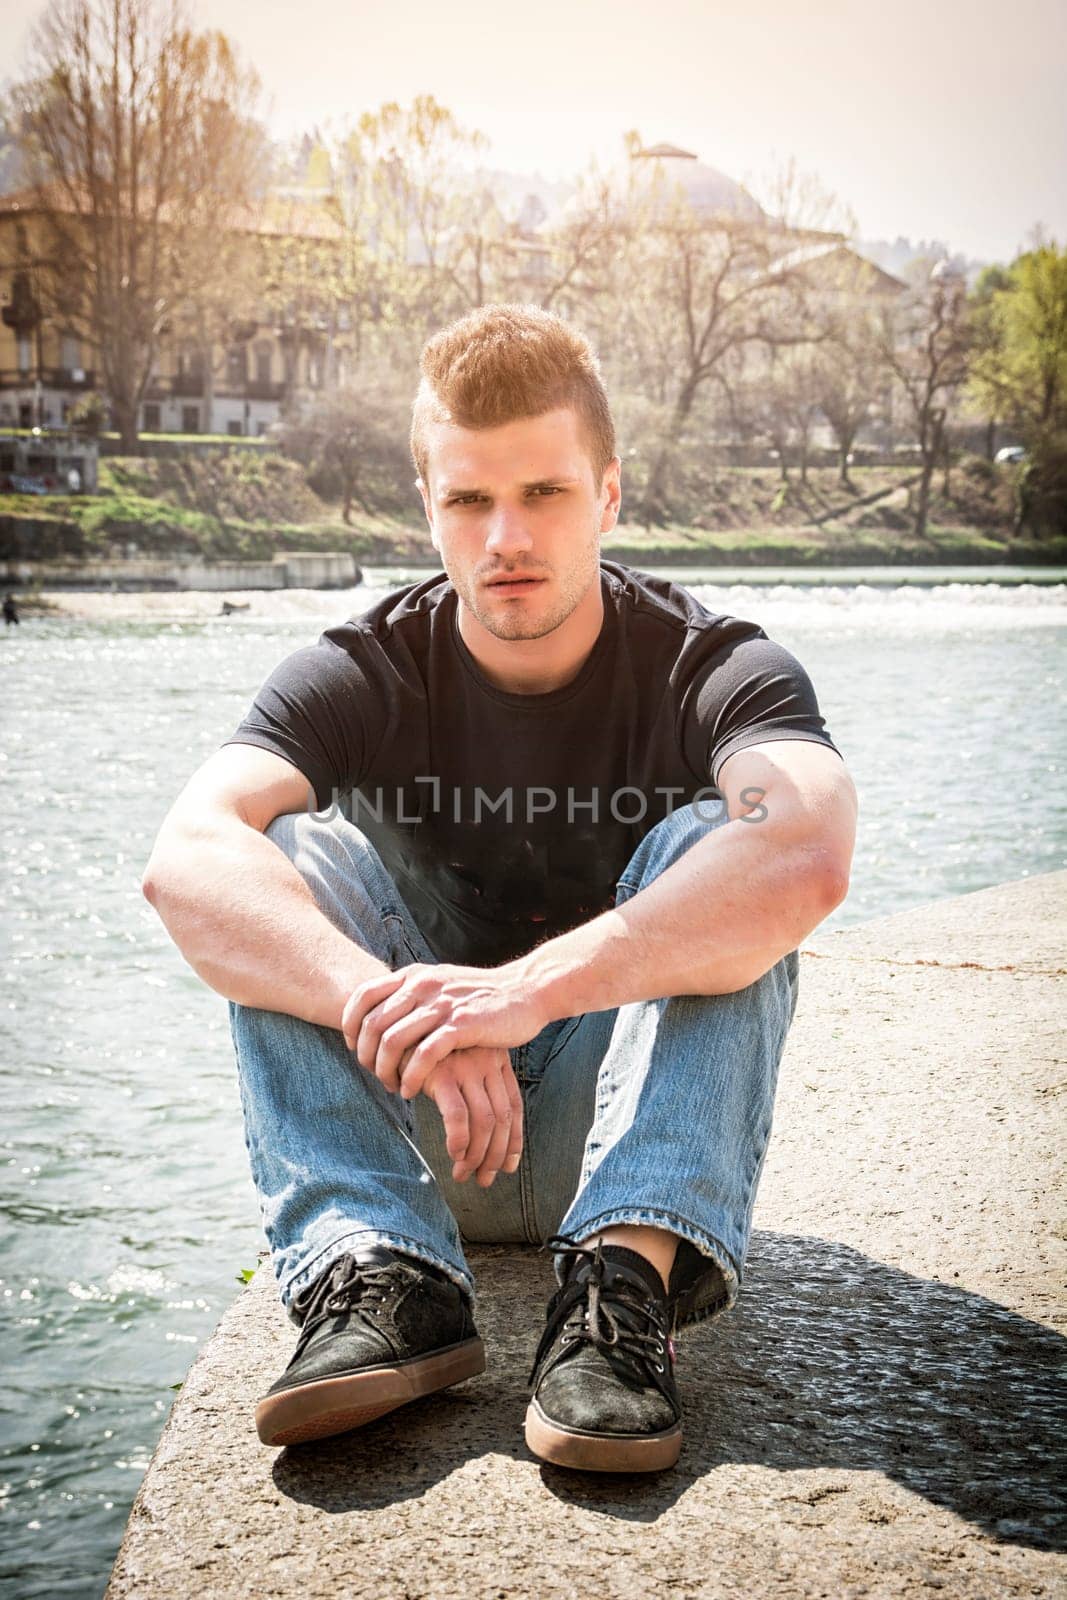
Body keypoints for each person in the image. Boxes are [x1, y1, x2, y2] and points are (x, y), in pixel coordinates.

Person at [142, 304, 856, 1474]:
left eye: (545, 494)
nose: (504, 536)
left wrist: (518, 994)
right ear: (428, 505)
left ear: (611, 494)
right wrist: (413, 1008)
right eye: (468, 500)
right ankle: (378, 1276)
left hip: (619, 1133)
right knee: (287, 859)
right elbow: (183, 859)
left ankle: (614, 1301)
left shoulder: (710, 661)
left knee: (721, 858)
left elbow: (808, 850)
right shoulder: (361, 664)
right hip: (424, 1124)